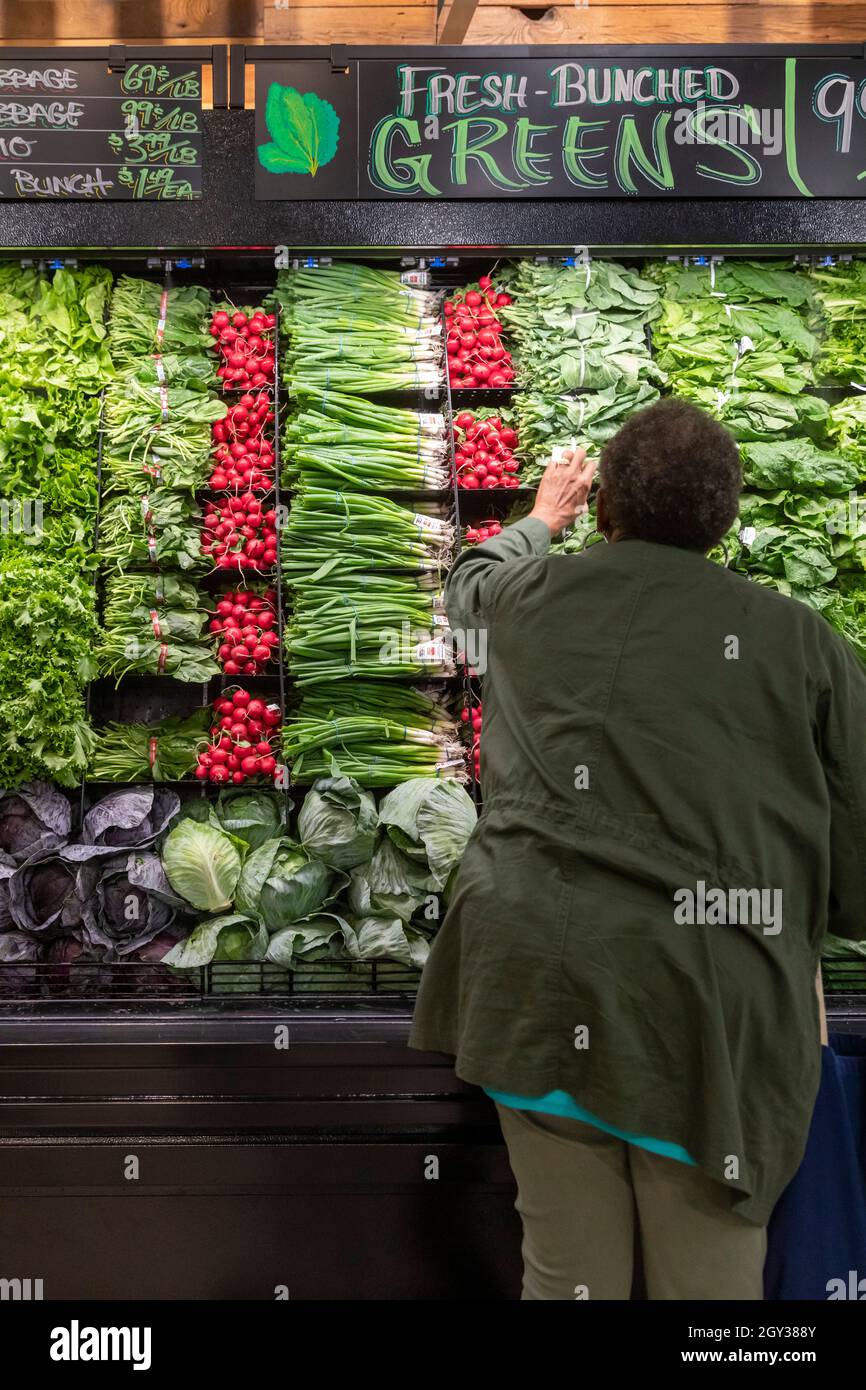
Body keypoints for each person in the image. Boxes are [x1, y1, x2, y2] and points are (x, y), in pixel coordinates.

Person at [409, 398, 866, 1301]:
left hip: (535, 977)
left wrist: (542, 518)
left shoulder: (526, 597)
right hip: (705, 1012)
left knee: (569, 1273)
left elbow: (463, 589)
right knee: (710, 1289)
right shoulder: (797, 638)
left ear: (607, 506)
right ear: (725, 519)